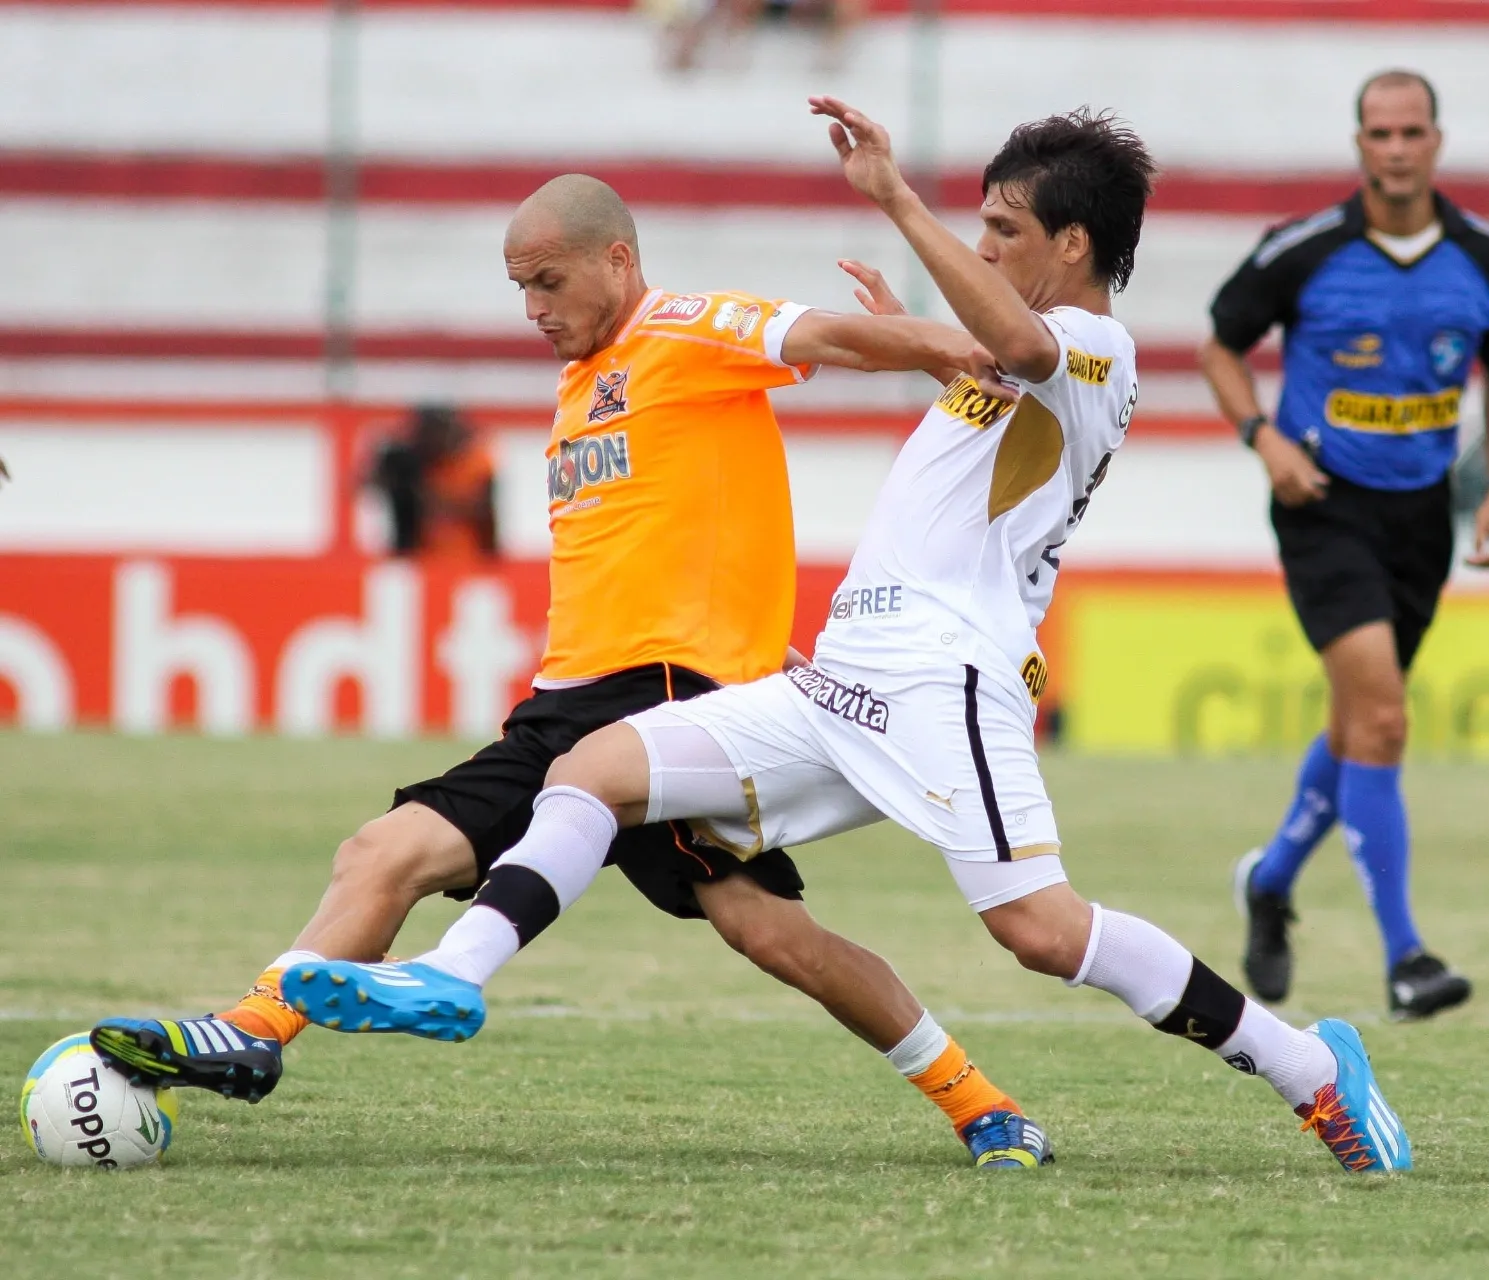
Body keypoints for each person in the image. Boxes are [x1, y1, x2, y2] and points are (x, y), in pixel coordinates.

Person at [286, 103, 1414, 1176]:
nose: (979, 243)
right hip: (841, 680)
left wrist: (894, 197)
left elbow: (1020, 347)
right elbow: (984, 390)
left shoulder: (1091, 344)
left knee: (1038, 926)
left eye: (1003, 229)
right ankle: (456, 973)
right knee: (596, 766)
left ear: (1074, 243)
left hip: (947, 680)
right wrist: (915, 330)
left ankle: (1307, 1063)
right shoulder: (1022, 347)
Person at [91, 173, 1056, 1171]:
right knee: (382, 851)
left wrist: (961, 347)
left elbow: (826, 337)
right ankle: (252, 1032)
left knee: (774, 936)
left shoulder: (686, 327)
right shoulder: (578, 385)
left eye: (548, 282)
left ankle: (982, 1104)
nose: (533, 310)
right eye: (521, 289)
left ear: (619, 260)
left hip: (670, 695)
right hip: (561, 705)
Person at [1199, 70, 1489, 1019]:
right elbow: (1221, 346)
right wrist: (1261, 438)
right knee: (1383, 721)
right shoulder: (1302, 252)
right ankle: (1406, 959)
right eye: (1379, 132)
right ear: (1358, 144)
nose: (1395, 148)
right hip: (1323, 506)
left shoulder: (1487, 260)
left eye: (1411, 131)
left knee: (1358, 724)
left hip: (1421, 518)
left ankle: (1270, 879)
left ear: (1437, 141)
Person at [367, 403, 498, 559]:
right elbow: (371, 482)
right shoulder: (414, 462)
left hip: (466, 557)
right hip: (420, 557)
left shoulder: (475, 460)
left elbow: (484, 512)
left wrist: (429, 498)